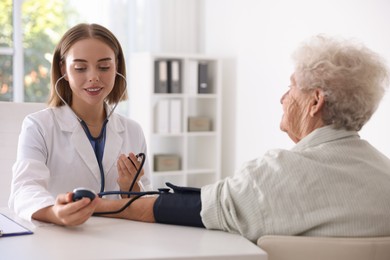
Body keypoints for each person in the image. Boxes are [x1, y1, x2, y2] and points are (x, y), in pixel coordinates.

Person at [95, 35, 390, 243]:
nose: (283, 98)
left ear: (315, 102)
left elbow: (198, 210)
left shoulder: (280, 172)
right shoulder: (384, 173)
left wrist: (93, 204)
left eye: (292, 87)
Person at [9, 23, 152, 226]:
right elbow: (24, 189)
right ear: (63, 70)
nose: (93, 77)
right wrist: (55, 213)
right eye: (80, 68)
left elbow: (148, 199)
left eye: (104, 67)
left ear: (117, 67)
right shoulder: (38, 126)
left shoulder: (132, 130)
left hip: (120, 240)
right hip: (58, 241)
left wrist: (131, 189)